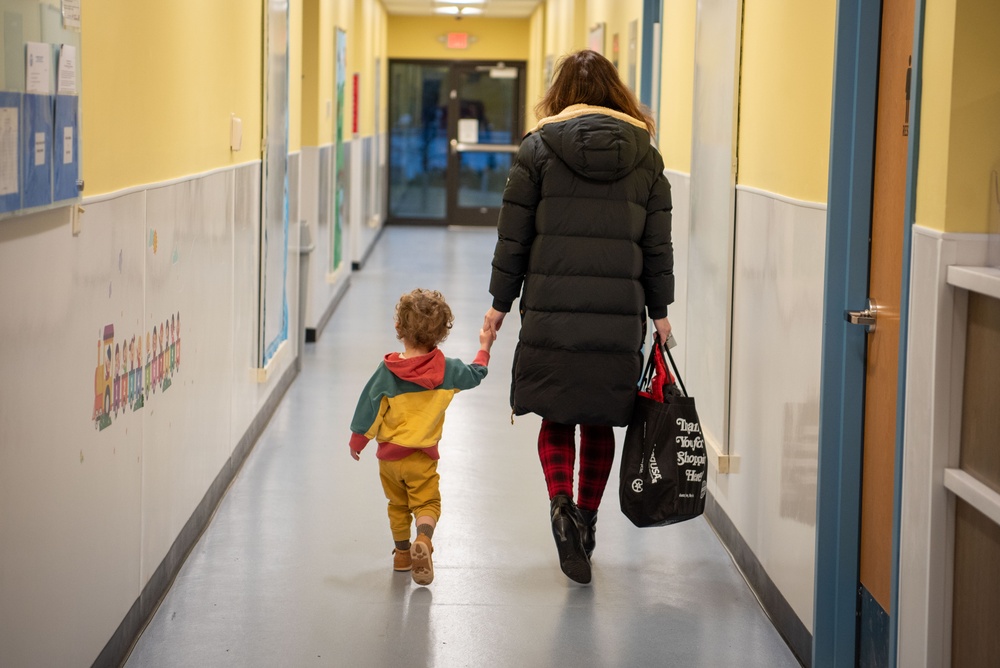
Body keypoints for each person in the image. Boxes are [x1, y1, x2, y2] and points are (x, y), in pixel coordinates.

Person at [483, 49, 674, 585]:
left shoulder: (537, 149)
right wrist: (659, 312)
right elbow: (658, 246)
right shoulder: (646, 157)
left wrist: (499, 306)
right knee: (601, 416)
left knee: (557, 413)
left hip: (550, 310)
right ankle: (586, 523)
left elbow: (513, 238)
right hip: (618, 316)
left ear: (558, 93)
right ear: (618, 92)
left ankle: (561, 509)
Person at [350, 288, 495, 586]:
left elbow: (370, 405)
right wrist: (485, 346)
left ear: (398, 328)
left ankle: (402, 555)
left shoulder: (388, 371)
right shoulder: (448, 370)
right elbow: (477, 372)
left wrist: (358, 439)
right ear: (441, 335)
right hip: (422, 458)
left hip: (390, 459)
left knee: (397, 505)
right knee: (427, 504)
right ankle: (424, 542)